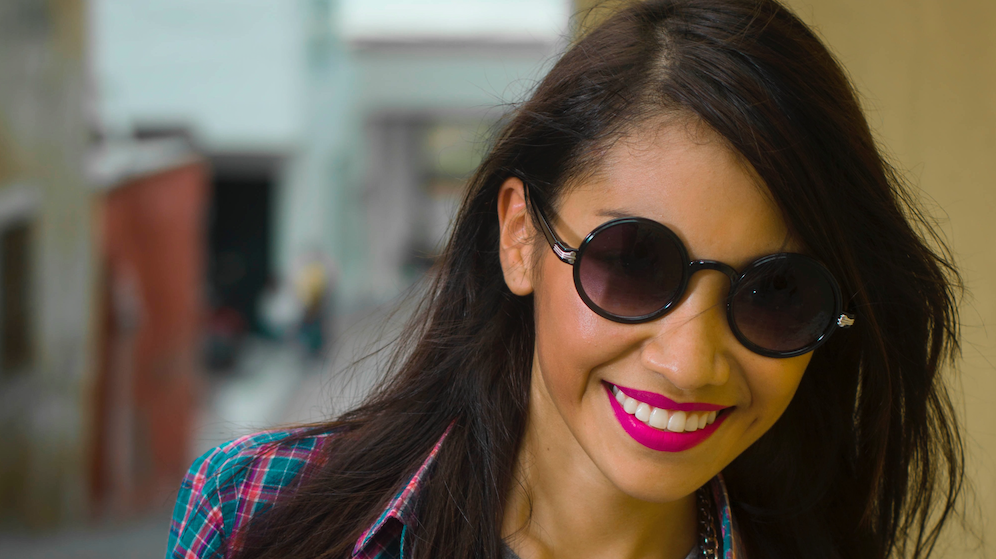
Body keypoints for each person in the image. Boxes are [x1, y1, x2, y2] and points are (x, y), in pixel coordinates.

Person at [166, 1, 965, 558]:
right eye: (633, 263)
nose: (690, 361)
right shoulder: (256, 515)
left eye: (777, 294)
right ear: (520, 239)